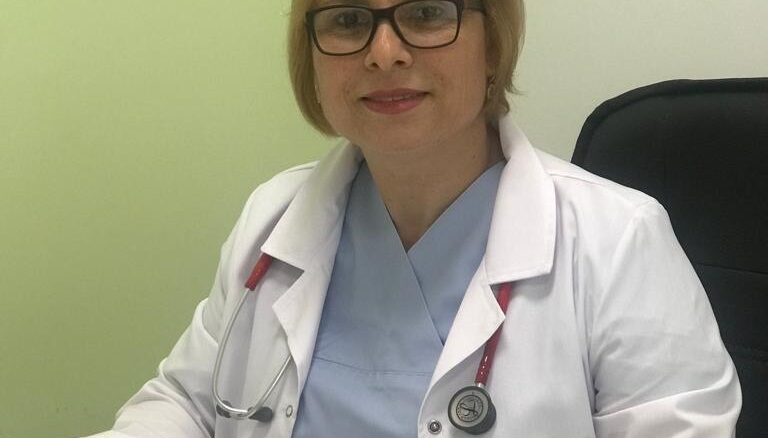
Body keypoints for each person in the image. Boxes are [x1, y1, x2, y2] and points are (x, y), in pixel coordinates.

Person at [85, 0, 741, 437]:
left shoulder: (617, 239)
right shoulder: (274, 218)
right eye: (347, 20)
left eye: (426, 13)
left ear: (492, 44)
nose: (384, 52)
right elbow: (186, 404)